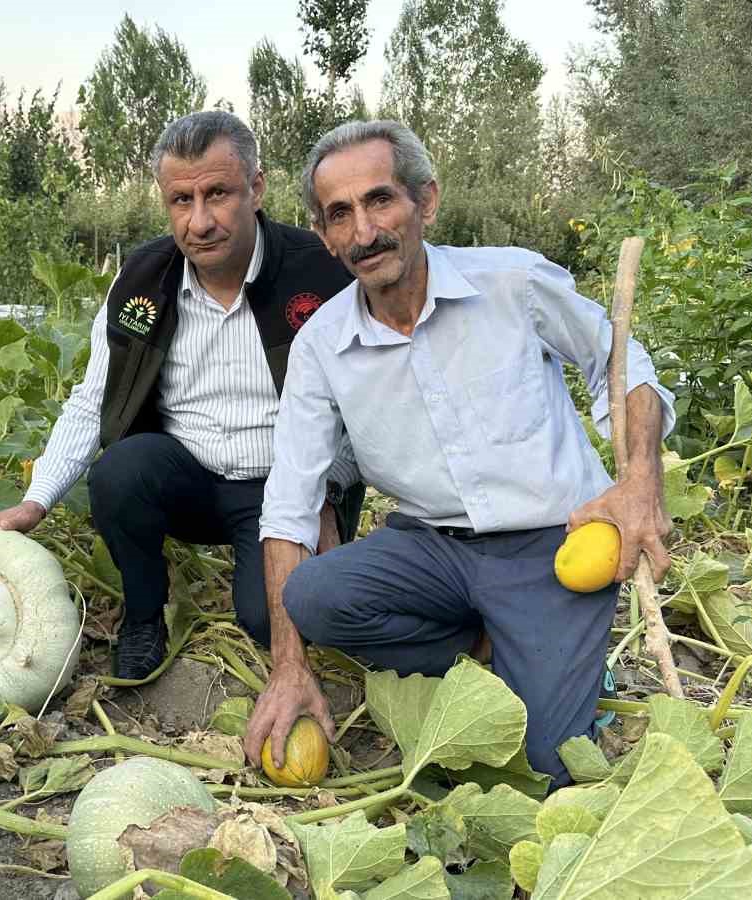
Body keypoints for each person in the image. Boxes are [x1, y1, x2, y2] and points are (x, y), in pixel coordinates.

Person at [243, 120, 675, 788]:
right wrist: (288, 669)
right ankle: (484, 644)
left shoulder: (512, 284)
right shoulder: (321, 346)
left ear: (426, 202)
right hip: (431, 549)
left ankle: (534, 644)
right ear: (325, 235)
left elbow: (620, 363)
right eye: (339, 214)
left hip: (552, 548)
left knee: (545, 764)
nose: (364, 232)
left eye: (380, 200)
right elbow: (288, 507)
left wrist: (639, 479)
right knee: (314, 594)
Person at [0, 111, 360, 680]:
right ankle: (143, 615)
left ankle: (270, 576)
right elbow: (92, 400)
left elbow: (368, 402)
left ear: (257, 189)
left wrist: (327, 491)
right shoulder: (141, 279)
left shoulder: (321, 273)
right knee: (119, 472)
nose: (200, 221)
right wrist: (34, 501)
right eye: (181, 201)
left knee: (272, 621)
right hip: (183, 476)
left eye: (218, 194)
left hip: (283, 486)